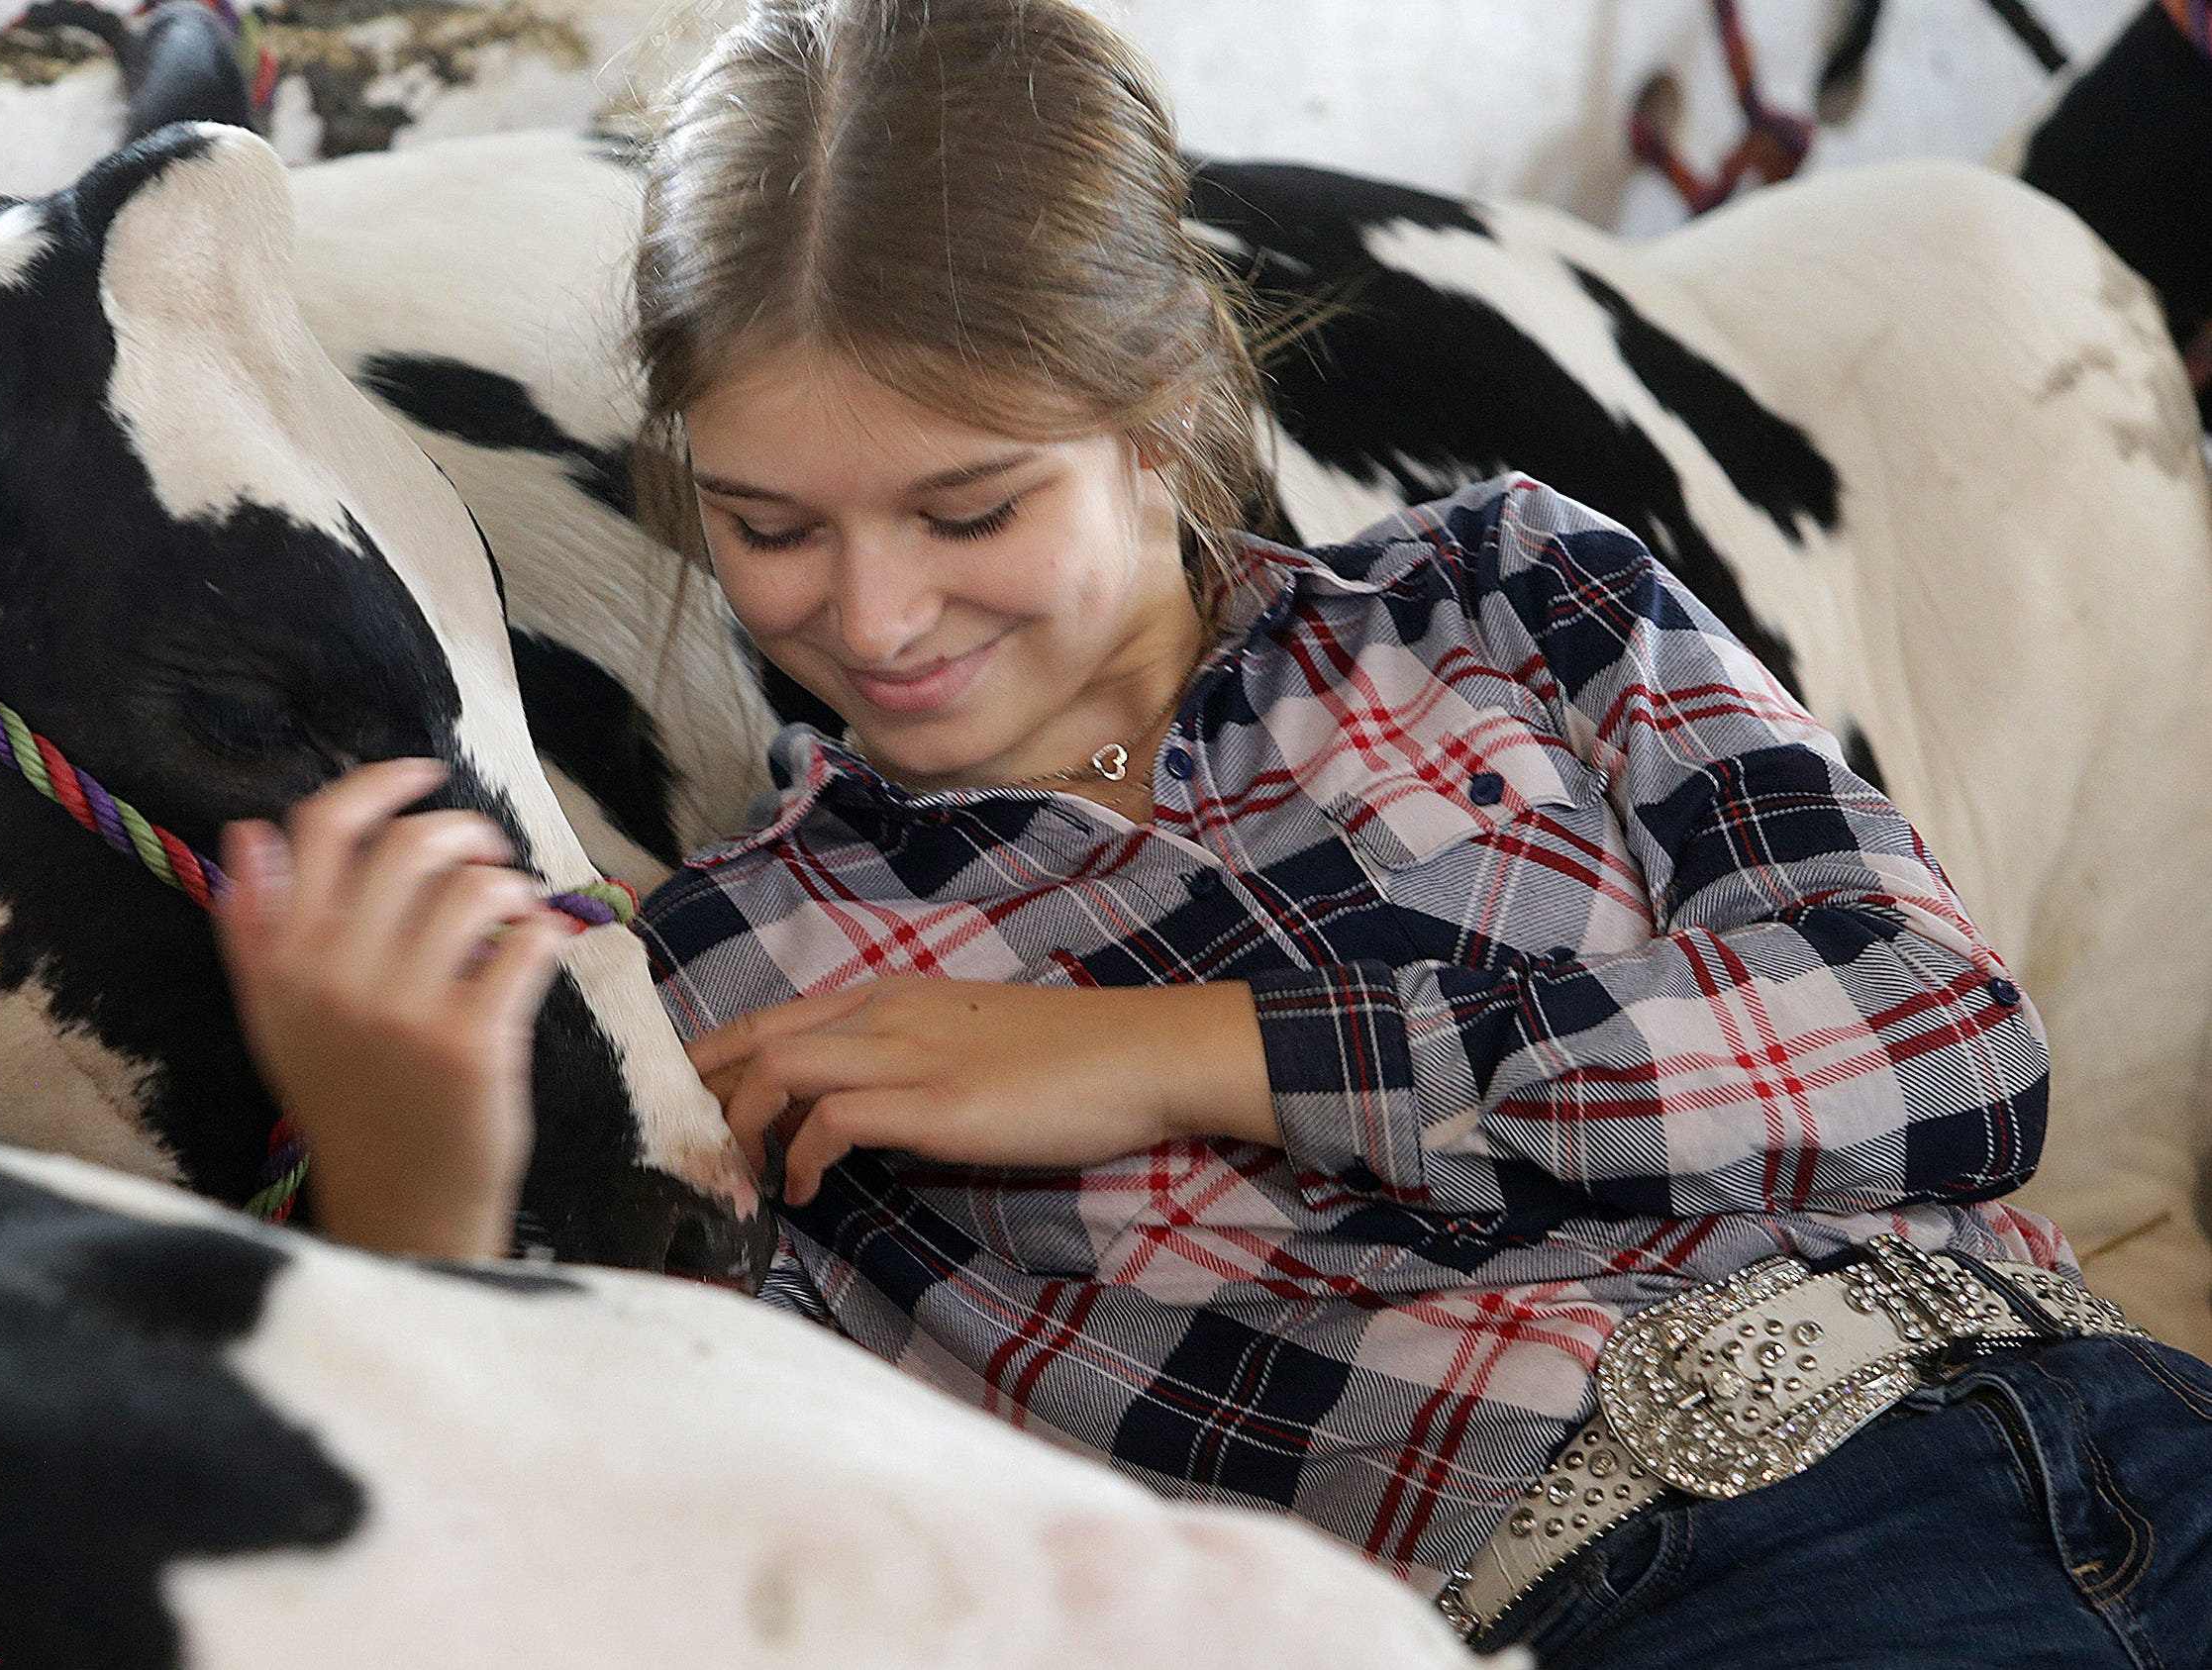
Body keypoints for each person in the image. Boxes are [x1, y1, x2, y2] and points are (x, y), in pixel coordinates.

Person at [209, 0, 2212, 1660]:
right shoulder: (748, 975)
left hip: (2140, 1413)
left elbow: (1945, 1045)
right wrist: (421, 1211)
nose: (875, 618)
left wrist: (1185, 1053)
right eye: (767, 526)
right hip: (1681, 1598)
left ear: (1158, 400)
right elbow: (683, 1516)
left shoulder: (1515, 589)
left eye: (972, 508)